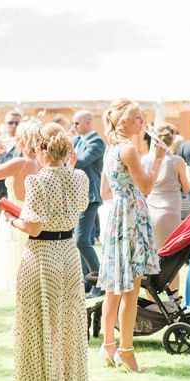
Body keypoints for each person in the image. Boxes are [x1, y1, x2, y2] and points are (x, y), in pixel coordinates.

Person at [6, 122, 89, 381]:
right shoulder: (79, 178)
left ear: (41, 150)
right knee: (65, 326)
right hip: (68, 254)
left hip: (42, 256)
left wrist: (15, 221)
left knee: (36, 326)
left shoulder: (37, 180)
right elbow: (78, 207)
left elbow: (34, 226)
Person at [97, 99, 164, 373]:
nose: (142, 122)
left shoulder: (110, 149)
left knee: (114, 287)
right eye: (137, 117)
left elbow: (104, 192)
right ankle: (126, 350)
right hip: (132, 216)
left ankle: (108, 345)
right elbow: (146, 187)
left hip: (118, 215)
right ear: (123, 121)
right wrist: (158, 159)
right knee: (130, 290)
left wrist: (123, 199)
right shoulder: (128, 150)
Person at [0, 120, 41, 294]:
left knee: (16, 267)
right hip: (33, 216)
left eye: (17, 138)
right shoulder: (41, 163)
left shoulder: (21, 162)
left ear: (24, 140)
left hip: (14, 216)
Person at [144, 123, 190, 291]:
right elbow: (186, 187)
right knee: (172, 259)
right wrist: (188, 174)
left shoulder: (146, 160)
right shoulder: (177, 161)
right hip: (170, 213)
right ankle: (174, 300)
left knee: (152, 259)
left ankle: (151, 301)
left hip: (151, 211)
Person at [71, 110, 106, 298]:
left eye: (76, 123)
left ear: (87, 123)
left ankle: (100, 282)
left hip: (90, 196)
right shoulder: (77, 141)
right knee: (80, 240)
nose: (73, 127)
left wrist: (68, 151)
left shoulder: (96, 142)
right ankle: (87, 281)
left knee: (81, 240)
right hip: (78, 196)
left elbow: (80, 162)